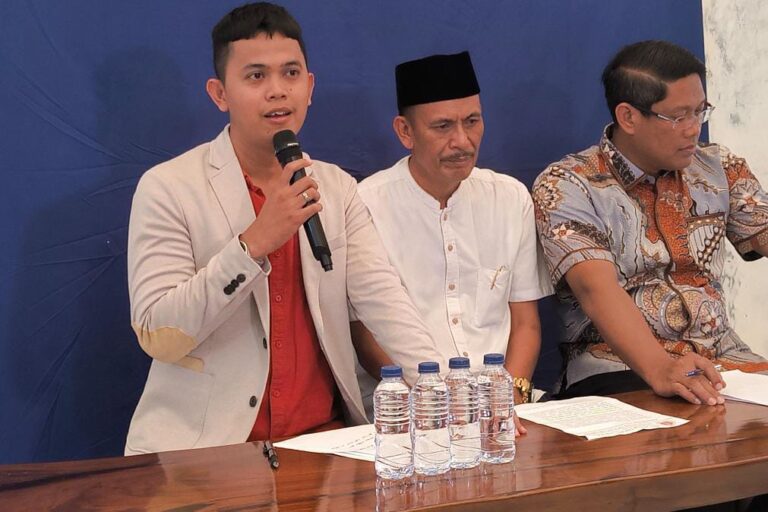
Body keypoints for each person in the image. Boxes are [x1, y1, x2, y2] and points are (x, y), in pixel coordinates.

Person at [125, 2, 444, 455]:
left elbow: (385, 302)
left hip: (324, 441)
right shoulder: (169, 188)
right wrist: (252, 244)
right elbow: (160, 334)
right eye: (256, 76)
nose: (277, 91)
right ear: (219, 94)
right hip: (209, 449)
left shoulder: (335, 187)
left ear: (309, 87)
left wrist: (448, 394)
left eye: (291, 73)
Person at [533, 40, 768, 406]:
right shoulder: (569, 184)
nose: (694, 129)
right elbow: (596, 290)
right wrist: (661, 368)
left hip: (724, 362)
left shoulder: (718, 166)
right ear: (628, 117)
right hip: (621, 371)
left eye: (700, 111)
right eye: (679, 116)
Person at [351, 52, 551, 415]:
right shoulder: (365, 205)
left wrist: (511, 400)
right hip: (405, 406)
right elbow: (364, 335)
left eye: (472, 121)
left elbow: (526, 324)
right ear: (405, 131)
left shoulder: (510, 198)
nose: (463, 141)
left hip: (502, 404)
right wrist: (434, 406)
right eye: (443, 126)